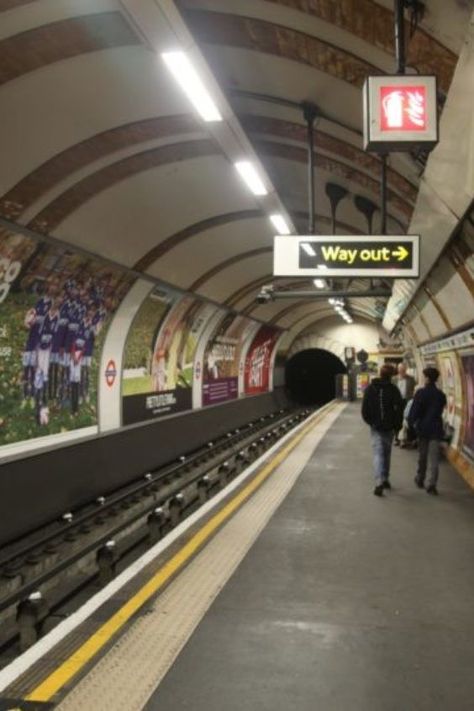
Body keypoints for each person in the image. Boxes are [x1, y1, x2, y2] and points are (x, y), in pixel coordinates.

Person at [361, 364, 403, 497]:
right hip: (389, 427)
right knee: (386, 453)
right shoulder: (394, 390)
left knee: (378, 453)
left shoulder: (370, 389)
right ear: (391, 376)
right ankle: (385, 479)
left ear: (380, 374)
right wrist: (397, 426)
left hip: (376, 427)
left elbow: (364, 410)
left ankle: (379, 481)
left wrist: (371, 422)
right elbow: (399, 410)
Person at [408, 367, 447, 495]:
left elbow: (415, 411)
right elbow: (441, 409)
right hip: (436, 429)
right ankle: (432, 484)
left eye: (424, 376)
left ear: (428, 378)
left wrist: (411, 423)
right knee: (434, 459)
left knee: (422, 456)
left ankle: (420, 479)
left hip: (423, 429)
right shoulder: (441, 395)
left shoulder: (420, 393)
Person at [394, 362, 416, 445]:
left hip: (407, 402)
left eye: (403, 369)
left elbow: (413, 390)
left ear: (406, 369)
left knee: (407, 420)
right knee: (397, 420)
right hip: (397, 402)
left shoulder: (411, 379)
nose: (401, 371)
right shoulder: (394, 379)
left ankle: (407, 439)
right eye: (400, 369)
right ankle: (397, 438)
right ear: (398, 370)